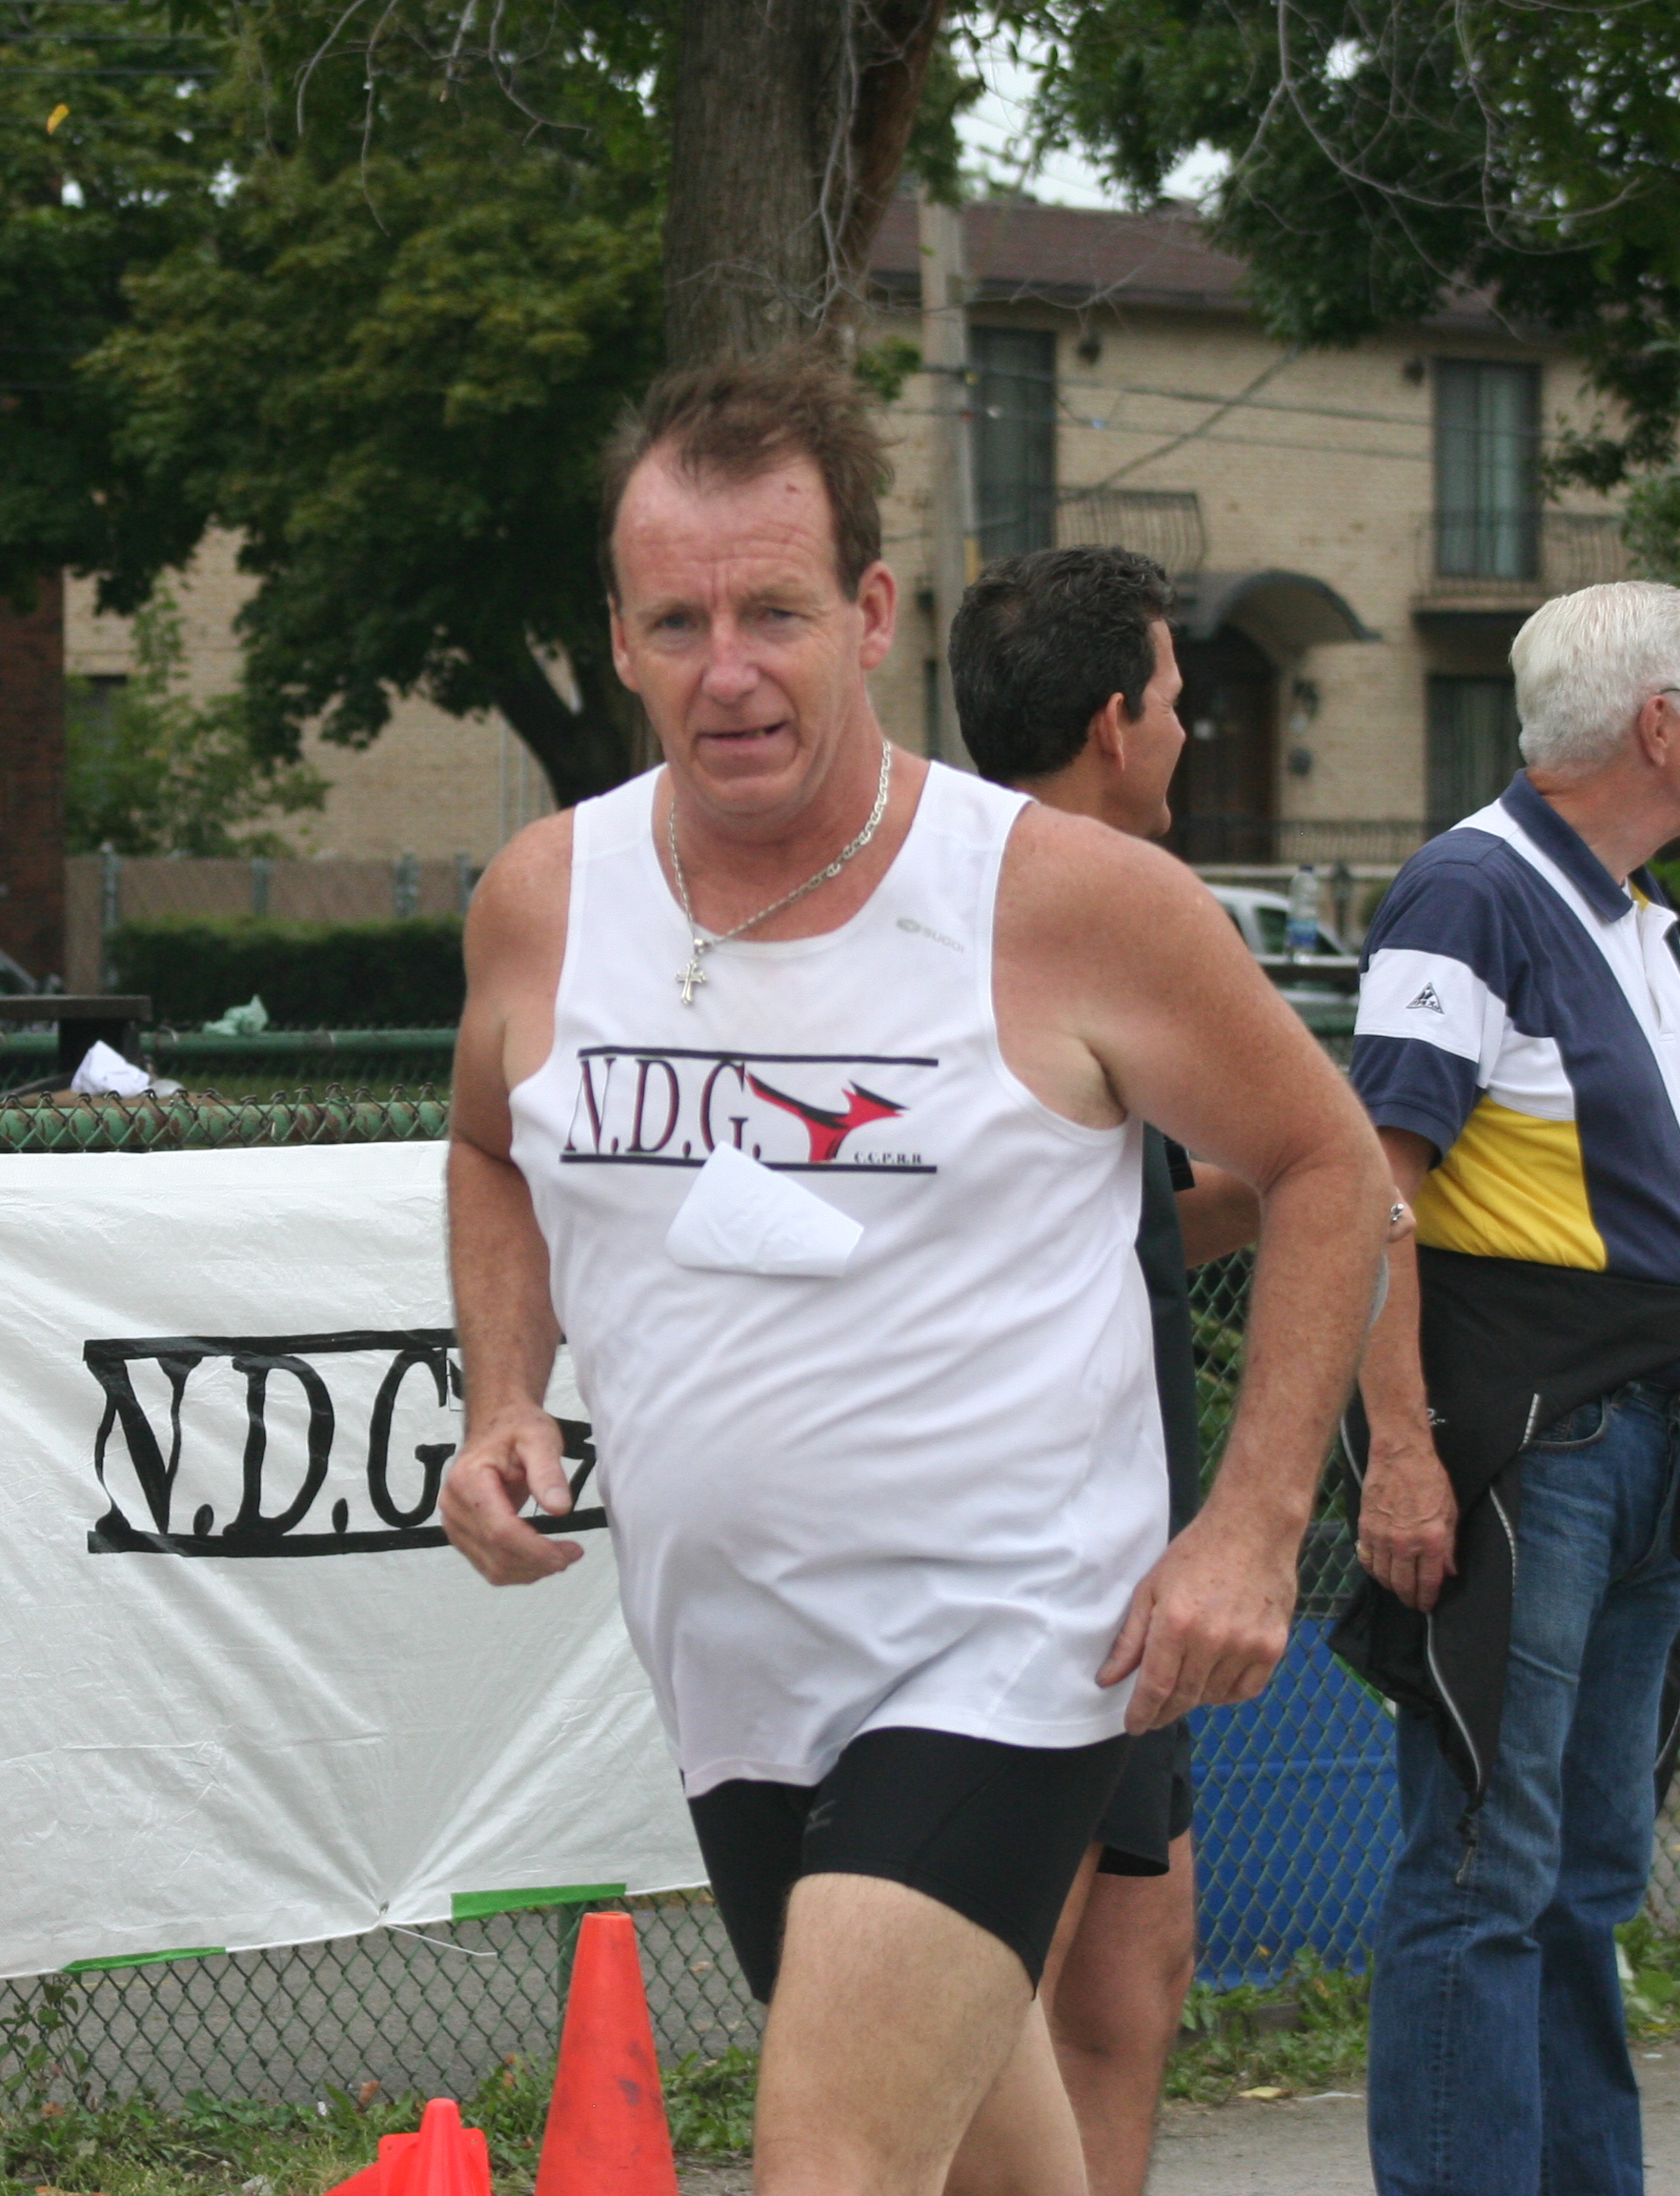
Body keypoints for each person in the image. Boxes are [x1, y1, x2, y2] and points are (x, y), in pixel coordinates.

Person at [437, 349, 1388, 2196]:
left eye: (776, 610)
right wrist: (498, 1395)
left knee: (833, 2158)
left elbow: (1327, 1161)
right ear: (620, 640)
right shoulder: (545, 900)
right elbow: (490, 1141)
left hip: (1005, 1641)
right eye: (681, 619)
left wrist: (1255, 1527)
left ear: (870, 613)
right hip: (734, 1666)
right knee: (992, 2172)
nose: (731, 669)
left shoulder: (1059, 900)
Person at [1338, 580, 1680, 2196]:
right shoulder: (1472, 895)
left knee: (1581, 1879)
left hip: (1644, 1431)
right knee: (1486, 1865)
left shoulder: (1619, 910)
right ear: (1660, 723)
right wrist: (1401, 1450)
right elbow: (1370, 1190)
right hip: (1537, 1445)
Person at [950, 543, 1264, 2196]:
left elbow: (1139, 1226)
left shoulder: (1107, 910)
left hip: (1135, 1550)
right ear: (1111, 720)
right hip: (1021, 1563)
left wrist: (1290, 1187)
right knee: (978, 2006)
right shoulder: (1031, 906)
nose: (1191, 733)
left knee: (1130, 1984)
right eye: (1179, 701)